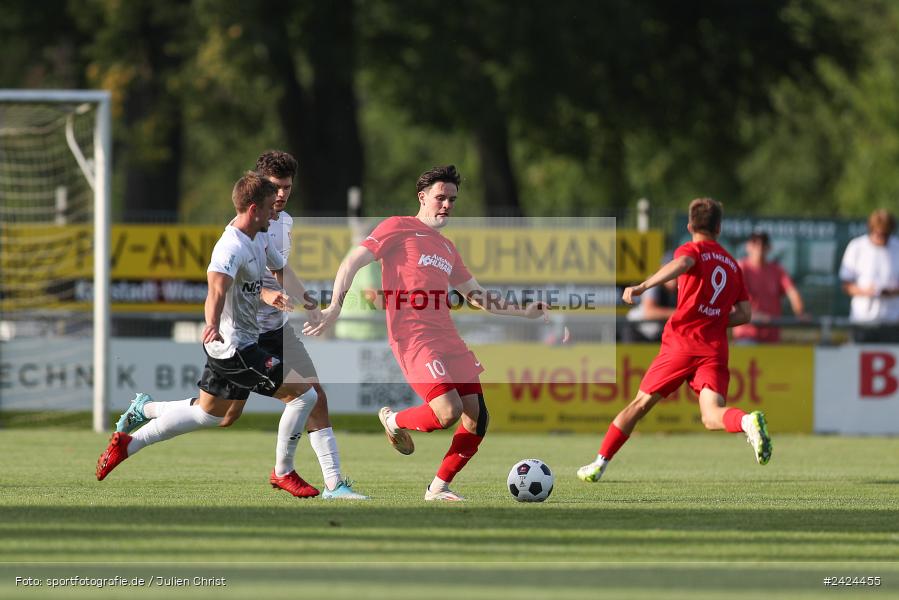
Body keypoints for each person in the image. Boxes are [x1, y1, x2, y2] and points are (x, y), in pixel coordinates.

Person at [303, 165, 548, 501]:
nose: (446, 204)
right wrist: (334, 307)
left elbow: (477, 297)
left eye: (452, 199)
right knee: (447, 412)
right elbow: (351, 263)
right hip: (413, 338)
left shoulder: (447, 247)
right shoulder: (397, 227)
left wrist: (523, 312)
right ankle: (394, 420)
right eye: (440, 197)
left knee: (477, 417)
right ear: (422, 198)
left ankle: (438, 488)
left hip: (448, 337)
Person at [96, 172, 319, 492]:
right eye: (271, 206)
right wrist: (211, 323)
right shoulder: (230, 246)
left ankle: (128, 443)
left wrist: (308, 300)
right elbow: (216, 288)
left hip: (234, 346)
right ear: (254, 208)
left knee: (211, 416)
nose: (276, 212)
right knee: (303, 396)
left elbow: (280, 269)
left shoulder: (262, 235)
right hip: (236, 348)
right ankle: (283, 472)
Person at [577, 198, 773, 484]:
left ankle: (598, 464)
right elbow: (744, 313)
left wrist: (642, 286)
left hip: (682, 343)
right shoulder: (732, 264)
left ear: (690, 225)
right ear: (719, 228)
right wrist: (715, 318)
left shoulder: (691, 249)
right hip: (714, 348)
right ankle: (745, 421)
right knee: (711, 415)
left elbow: (682, 263)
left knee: (639, 405)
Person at [253, 150, 367, 499]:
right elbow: (230, 279)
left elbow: (281, 271)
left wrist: (309, 305)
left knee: (315, 395)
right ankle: (148, 411)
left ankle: (334, 484)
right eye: (276, 187)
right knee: (217, 414)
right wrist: (264, 295)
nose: (282, 194)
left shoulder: (285, 222)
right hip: (244, 332)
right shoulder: (244, 225)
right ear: (260, 185)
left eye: (287, 186)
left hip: (278, 329)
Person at [732, 231, 806, 344]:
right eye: (755, 242)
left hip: (771, 338)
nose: (759, 247)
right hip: (747, 336)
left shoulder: (777, 270)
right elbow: (732, 302)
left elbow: (792, 292)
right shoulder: (741, 268)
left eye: (763, 243)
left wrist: (800, 313)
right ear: (748, 246)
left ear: (769, 247)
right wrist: (756, 317)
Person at [839, 209, 899, 343]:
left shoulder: (897, 247)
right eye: (879, 233)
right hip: (862, 320)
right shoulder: (857, 247)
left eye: (886, 234)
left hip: (892, 322)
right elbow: (846, 285)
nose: (882, 238)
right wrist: (867, 291)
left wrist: (892, 292)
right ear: (872, 229)